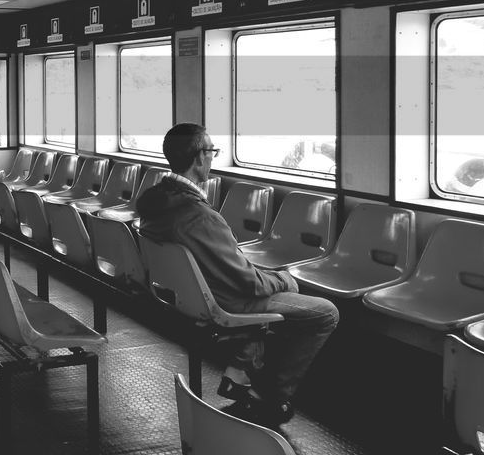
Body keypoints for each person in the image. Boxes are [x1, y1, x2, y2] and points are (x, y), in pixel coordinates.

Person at [135, 123, 339, 428]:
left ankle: (243, 367)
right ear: (199, 158)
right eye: (211, 151)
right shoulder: (199, 216)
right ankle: (270, 395)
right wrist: (285, 279)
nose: (213, 157)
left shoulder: (154, 202)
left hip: (190, 294)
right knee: (325, 312)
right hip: (227, 301)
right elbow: (249, 283)